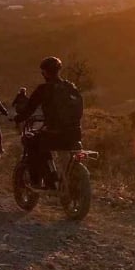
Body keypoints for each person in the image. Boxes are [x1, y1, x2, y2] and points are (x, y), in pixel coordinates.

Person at [15, 57, 84, 188]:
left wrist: (18, 118)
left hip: (54, 134)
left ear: (45, 73)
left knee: (30, 141)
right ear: (59, 70)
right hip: (75, 133)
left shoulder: (43, 89)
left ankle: (42, 181)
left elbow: (29, 110)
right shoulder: (71, 87)